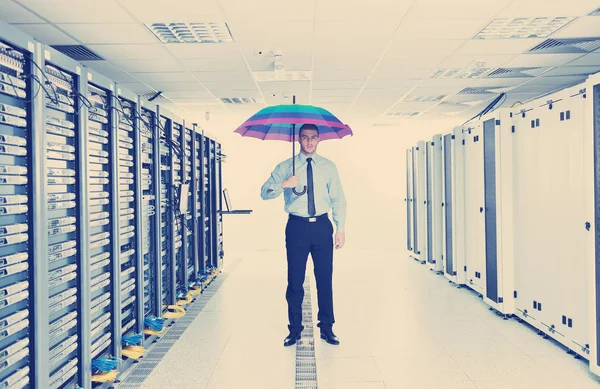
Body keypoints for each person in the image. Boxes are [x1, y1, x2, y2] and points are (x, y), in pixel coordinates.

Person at [260, 123, 347, 347]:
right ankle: (294, 330)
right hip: (296, 227)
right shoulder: (286, 166)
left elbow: (338, 198)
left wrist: (340, 228)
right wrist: (284, 184)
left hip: (321, 226)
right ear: (298, 139)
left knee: (324, 279)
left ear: (319, 140)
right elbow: (265, 193)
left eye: (313, 138)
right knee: (295, 281)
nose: (309, 142)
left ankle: (327, 328)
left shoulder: (329, 167)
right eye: (305, 137)